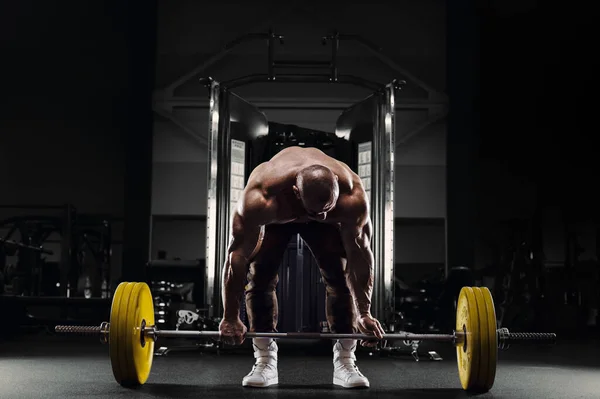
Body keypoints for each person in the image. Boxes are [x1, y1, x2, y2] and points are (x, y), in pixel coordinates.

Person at [218, 146, 385, 388]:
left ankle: (346, 360)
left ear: (336, 183)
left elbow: (359, 258)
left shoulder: (352, 196)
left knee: (339, 275)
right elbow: (237, 258)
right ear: (296, 192)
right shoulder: (261, 197)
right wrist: (230, 316)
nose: (324, 217)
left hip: (315, 206)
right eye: (318, 213)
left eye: (329, 209)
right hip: (278, 216)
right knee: (261, 275)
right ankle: (265, 360)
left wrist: (364, 312)